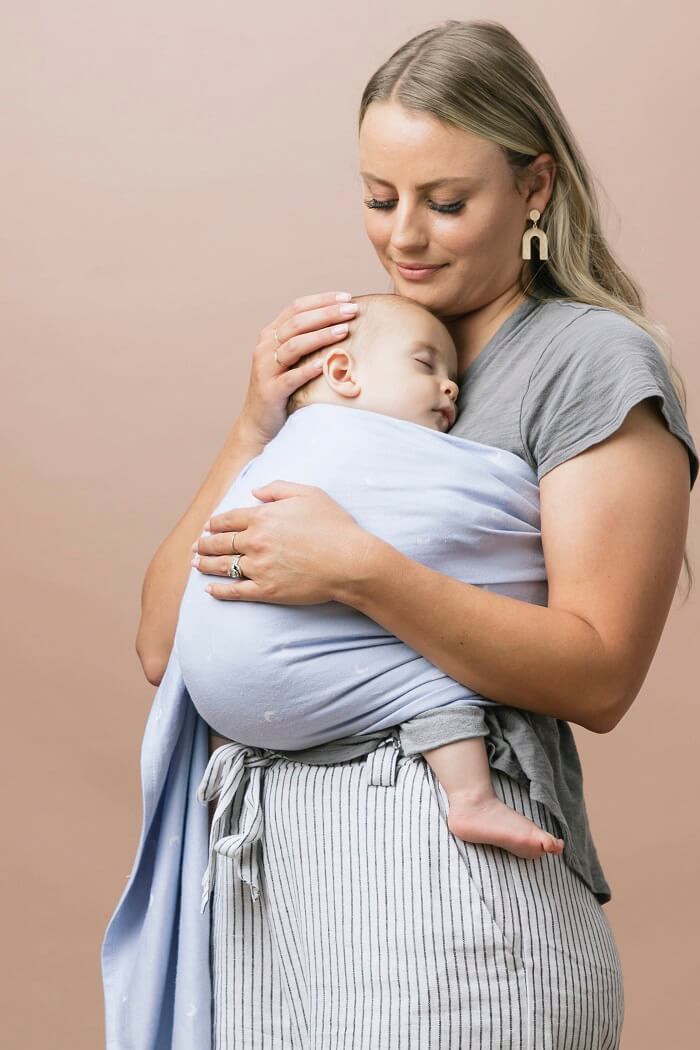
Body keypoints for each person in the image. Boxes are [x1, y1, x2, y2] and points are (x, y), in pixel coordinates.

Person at [105, 18, 698, 1050]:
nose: (404, 237)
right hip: (277, 908)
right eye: (380, 199)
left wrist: (360, 569)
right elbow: (166, 644)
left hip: (448, 899)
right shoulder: (364, 356)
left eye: (446, 202)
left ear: (536, 190)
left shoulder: (587, 363)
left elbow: (599, 675)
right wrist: (255, 423)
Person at [177, 289, 566, 865]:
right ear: (343, 373)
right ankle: (471, 798)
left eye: (452, 374)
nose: (450, 386)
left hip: (229, 714)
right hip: (262, 733)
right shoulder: (310, 444)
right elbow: (497, 506)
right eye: (424, 364)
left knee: (435, 660)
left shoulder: (320, 450)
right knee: (437, 683)